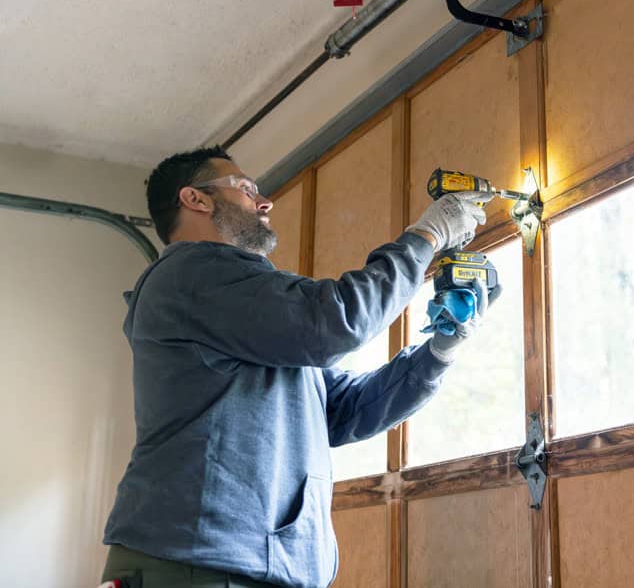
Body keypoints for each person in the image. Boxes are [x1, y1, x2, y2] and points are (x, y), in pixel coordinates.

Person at [100, 146, 496, 588]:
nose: (264, 202)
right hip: (199, 565)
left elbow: (343, 410)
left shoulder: (235, 306)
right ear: (196, 199)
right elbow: (335, 323)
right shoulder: (191, 274)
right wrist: (426, 236)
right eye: (246, 188)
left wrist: (440, 350)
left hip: (234, 564)